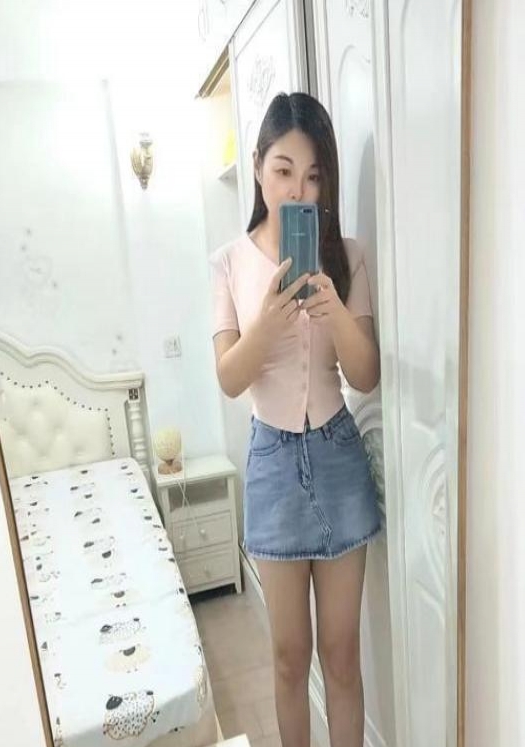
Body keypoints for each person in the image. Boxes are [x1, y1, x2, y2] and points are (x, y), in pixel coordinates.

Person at [209, 91, 382, 747]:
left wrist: (334, 309)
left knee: (341, 654)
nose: (297, 189)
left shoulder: (348, 255)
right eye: (283, 170)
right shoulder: (229, 263)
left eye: (312, 175)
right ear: (258, 167)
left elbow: (364, 374)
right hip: (272, 464)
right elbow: (230, 378)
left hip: (337, 455)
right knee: (288, 658)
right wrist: (267, 323)